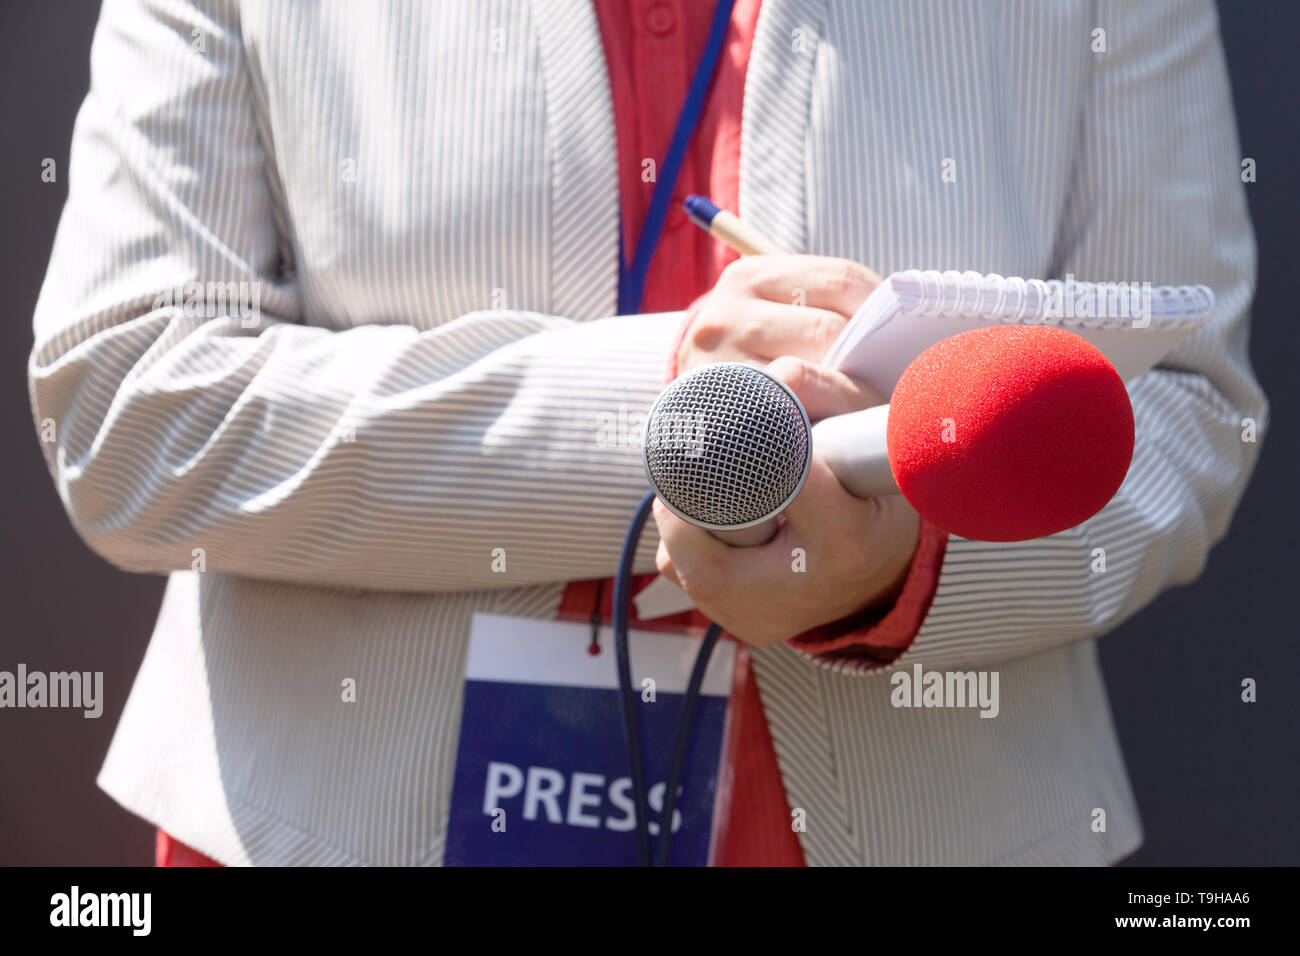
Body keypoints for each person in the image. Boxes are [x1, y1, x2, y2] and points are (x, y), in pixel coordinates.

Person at [29, 0, 1266, 866]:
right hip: (320, 834)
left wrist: (905, 557)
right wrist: (684, 410)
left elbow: (1185, 408)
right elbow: (131, 410)